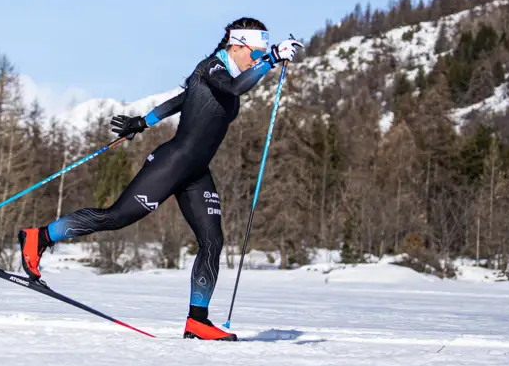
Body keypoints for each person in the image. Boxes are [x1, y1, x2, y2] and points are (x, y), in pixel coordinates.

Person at [18, 17, 303, 341]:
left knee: (213, 242)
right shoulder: (212, 67)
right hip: (172, 163)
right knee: (115, 217)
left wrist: (144, 120)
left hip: (196, 173)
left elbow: (182, 100)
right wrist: (272, 59)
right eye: (254, 54)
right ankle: (38, 237)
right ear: (235, 45)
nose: (255, 60)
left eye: (260, 55)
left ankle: (198, 321)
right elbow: (234, 87)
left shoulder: (222, 77)